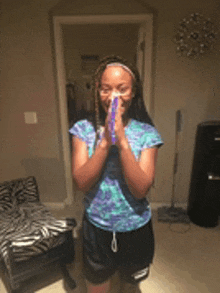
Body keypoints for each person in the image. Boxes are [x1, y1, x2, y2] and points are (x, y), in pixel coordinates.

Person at [69, 55, 163, 293]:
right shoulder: (82, 130)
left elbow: (141, 189)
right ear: (97, 91)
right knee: (97, 285)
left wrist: (122, 142)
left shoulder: (147, 134)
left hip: (136, 228)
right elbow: (81, 183)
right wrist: (104, 143)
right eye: (106, 89)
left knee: (130, 287)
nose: (113, 96)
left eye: (122, 89)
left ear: (133, 92)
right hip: (96, 228)